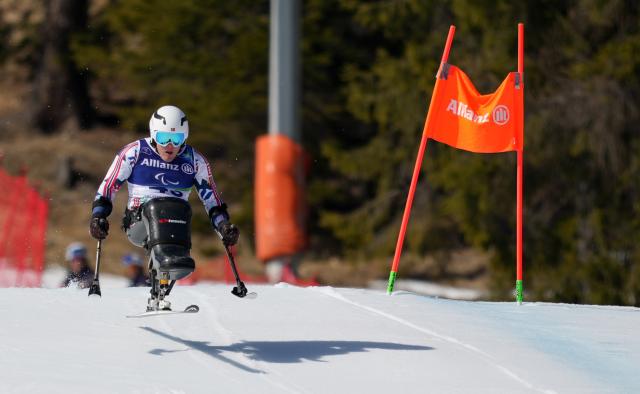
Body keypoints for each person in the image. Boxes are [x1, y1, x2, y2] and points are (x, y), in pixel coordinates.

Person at [89, 105, 239, 310]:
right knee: (158, 207)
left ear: (184, 138)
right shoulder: (135, 153)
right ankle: (159, 277)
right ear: (153, 135)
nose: (169, 146)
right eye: (163, 138)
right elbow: (108, 186)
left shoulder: (195, 161)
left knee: (180, 209)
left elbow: (211, 199)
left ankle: (163, 286)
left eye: (176, 139)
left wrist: (223, 226)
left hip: (175, 225)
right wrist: (99, 215)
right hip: (138, 221)